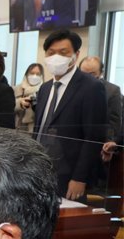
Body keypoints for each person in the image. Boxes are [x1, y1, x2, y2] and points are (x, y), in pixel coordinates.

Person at [34, 29, 107, 200]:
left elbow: (94, 136)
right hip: (40, 170)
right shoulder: (45, 88)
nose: (56, 57)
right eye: (51, 53)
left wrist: (79, 178)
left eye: (63, 52)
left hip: (69, 174)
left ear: (76, 54)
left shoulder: (91, 87)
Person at [79, 56, 122, 142]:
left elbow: (114, 122)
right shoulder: (74, 88)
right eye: (84, 73)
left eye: (92, 74)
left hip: (98, 141)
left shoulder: (112, 91)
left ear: (101, 73)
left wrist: (108, 143)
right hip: (75, 140)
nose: (87, 77)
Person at [13, 63, 44, 132]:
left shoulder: (44, 90)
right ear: (26, 74)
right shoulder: (16, 89)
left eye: (38, 74)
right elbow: (8, 106)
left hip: (34, 130)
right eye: (32, 73)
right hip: (16, 128)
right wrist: (20, 103)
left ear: (42, 76)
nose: (34, 76)